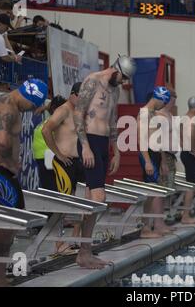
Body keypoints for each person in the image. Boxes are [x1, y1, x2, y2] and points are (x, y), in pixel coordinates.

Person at [0, 78, 47, 286]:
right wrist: (11, 162)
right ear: (29, 97)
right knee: (8, 224)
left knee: (12, 222)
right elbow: (2, 139)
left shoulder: (7, 102)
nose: (32, 109)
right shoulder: (8, 108)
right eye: (33, 105)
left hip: (2, 172)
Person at [73, 55, 136, 268]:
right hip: (89, 140)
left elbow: (112, 120)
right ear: (116, 69)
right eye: (124, 77)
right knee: (99, 198)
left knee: (91, 198)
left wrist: (116, 151)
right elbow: (78, 113)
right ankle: (84, 251)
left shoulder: (115, 90)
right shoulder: (92, 80)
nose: (124, 82)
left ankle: (84, 251)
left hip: (103, 145)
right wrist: (85, 146)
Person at [42, 82, 85, 252]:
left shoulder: (80, 111)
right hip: (63, 162)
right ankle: (58, 242)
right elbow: (46, 130)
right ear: (73, 94)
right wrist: (58, 153)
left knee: (82, 202)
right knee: (64, 203)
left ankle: (75, 237)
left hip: (78, 162)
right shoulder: (63, 110)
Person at [138, 86, 172, 237]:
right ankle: (145, 229)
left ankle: (151, 226)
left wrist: (163, 161)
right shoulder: (144, 113)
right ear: (158, 99)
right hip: (148, 154)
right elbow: (142, 139)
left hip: (156, 154)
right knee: (150, 192)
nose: (163, 107)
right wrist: (147, 161)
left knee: (153, 192)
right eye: (163, 103)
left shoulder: (154, 114)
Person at [33, 95, 67, 191]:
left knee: (50, 186)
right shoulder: (54, 119)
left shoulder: (58, 120)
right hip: (45, 156)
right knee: (48, 185)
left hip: (49, 155)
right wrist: (45, 107)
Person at [180, 96, 195, 224]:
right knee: (191, 186)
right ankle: (185, 216)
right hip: (191, 155)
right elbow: (191, 135)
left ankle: (186, 213)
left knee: (192, 186)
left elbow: (181, 138)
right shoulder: (192, 120)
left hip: (187, 153)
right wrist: (194, 151)